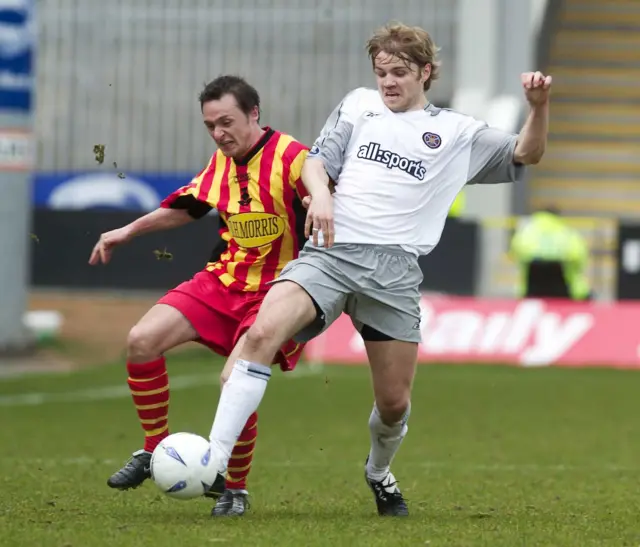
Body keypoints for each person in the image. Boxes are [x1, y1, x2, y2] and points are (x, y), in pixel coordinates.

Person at [203, 21, 552, 517]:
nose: (388, 81)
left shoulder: (457, 132)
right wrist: (321, 196)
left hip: (393, 273)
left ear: (426, 72)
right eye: (381, 72)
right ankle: (212, 464)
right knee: (260, 336)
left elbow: (527, 152)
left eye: (400, 72)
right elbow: (315, 162)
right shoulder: (358, 105)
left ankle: (378, 472)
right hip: (331, 252)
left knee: (393, 404)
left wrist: (538, 108)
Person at [88, 75, 310, 517]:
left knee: (235, 383)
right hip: (223, 281)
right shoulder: (221, 161)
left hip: (277, 293)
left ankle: (235, 489)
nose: (218, 133)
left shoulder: (293, 158)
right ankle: (153, 452)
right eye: (210, 125)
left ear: (254, 113)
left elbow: (330, 210)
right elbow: (189, 206)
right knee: (141, 341)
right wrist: (127, 232)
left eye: (226, 122)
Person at [509, 206, 592, 300]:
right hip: (569, 294)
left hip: (530, 293)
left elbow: (515, 254)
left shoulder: (525, 232)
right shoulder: (568, 233)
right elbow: (579, 259)